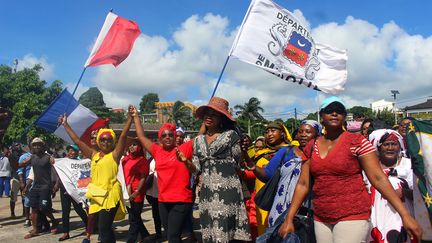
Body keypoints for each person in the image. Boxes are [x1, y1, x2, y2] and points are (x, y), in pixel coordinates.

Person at [278, 96, 422, 243]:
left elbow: (378, 178)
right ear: (321, 116)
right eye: (329, 111)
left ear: (345, 117)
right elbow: (303, 184)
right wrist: (289, 218)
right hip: (321, 217)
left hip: (353, 215)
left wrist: (405, 215)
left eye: (339, 111)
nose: (334, 113)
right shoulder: (311, 145)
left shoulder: (357, 142)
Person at [181, 97, 252, 242]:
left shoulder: (231, 136)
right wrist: (185, 161)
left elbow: (238, 162)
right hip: (207, 191)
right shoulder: (198, 140)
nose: (209, 117)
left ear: (222, 118)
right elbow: (196, 169)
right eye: (207, 113)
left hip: (227, 189)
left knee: (224, 229)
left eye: (213, 114)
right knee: (209, 229)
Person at [59, 111, 132, 243]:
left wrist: (130, 119)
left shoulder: (114, 155)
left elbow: (123, 137)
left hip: (110, 196)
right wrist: (65, 124)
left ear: (112, 142)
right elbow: (77, 140)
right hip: (97, 196)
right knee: (104, 229)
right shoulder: (94, 155)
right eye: (103, 139)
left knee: (103, 229)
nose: (106, 142)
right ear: (98, 141)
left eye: (109, 140)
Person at [131, 106, 194, 243]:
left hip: (181, 200)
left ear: (175, 136)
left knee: (172, 236)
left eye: (170, 135)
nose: (168, 137)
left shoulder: (184, 148)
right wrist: (136, 116)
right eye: (164, 135)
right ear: (160, 139)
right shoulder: (157, 151)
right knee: (170, 235)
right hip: (163, 201)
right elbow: (141, 136)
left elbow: (201, 136)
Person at [246, 120, 321, 230]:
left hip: (310, 209)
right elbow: (268, 174)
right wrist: (254, 167)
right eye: (300, 131)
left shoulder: (321, 154)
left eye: (308, 132)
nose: (303, 135)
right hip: (280, 209)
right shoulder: (286, 151)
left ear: (317, 135)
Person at [244, 121, 293, 235]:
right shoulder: (261, 153)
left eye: (273, 131)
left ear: (282, 133)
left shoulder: (291, 151)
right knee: (264, 230)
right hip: (263, 198)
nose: (269, 134)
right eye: (267, 132)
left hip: (282, 198)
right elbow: (250, 168)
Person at [367, 129, 414, 243]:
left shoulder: (409, 165)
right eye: (386, 144)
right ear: (378, 147)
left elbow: (419, 192)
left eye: (394, 144)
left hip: (404, 216)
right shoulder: (369, 167)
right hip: (376, 217)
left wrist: (404, 192)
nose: (390, 148)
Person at [19, 137, 59, 239]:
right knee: (35, 209)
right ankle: (36, 230)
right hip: (35, 187)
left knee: (44, 207)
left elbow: (57, 171)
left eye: (39, 144)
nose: (37, 146)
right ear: (32, 147)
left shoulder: (48, 157)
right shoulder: (31, 157)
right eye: (34, 145)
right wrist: (11, 157)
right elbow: (20, 166)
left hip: (46, 187)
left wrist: (55, 185)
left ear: (43, 146)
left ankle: (54, 222)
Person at [121, 138, 150, 243]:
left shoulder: (142, 160)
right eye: (130, 145)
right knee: (135, 217)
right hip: (126, 192)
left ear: (139, 147)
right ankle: (146, 236)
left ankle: (131, 240)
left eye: (134, 144)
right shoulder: (125, 160)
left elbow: (143, 177)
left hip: (137, 193)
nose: (132, 146)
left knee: (133, 219)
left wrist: (136, 191)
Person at [58, 144, 89, 241]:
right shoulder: (63, 162)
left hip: (75, 191)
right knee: (65, 211)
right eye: (69, 150)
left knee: (79, 209)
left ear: (77, 152)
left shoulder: (81, 163)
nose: (71, 152)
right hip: (64, 190)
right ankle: (65, 232)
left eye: (73, 150)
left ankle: (89, 227)